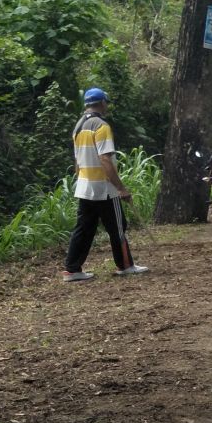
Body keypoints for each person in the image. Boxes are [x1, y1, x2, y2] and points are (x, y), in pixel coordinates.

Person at [63, 87, 148, 281]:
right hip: (104, 189)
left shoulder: (79, 126)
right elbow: (106, 160)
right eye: (106, 103)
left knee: (83, 228)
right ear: (102, 103)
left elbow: (77, 161)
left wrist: (80, 179)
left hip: (85, 186)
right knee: (118, 226)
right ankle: (125, 265)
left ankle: (72, 269)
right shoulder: (101, 126)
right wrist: (121, 188)